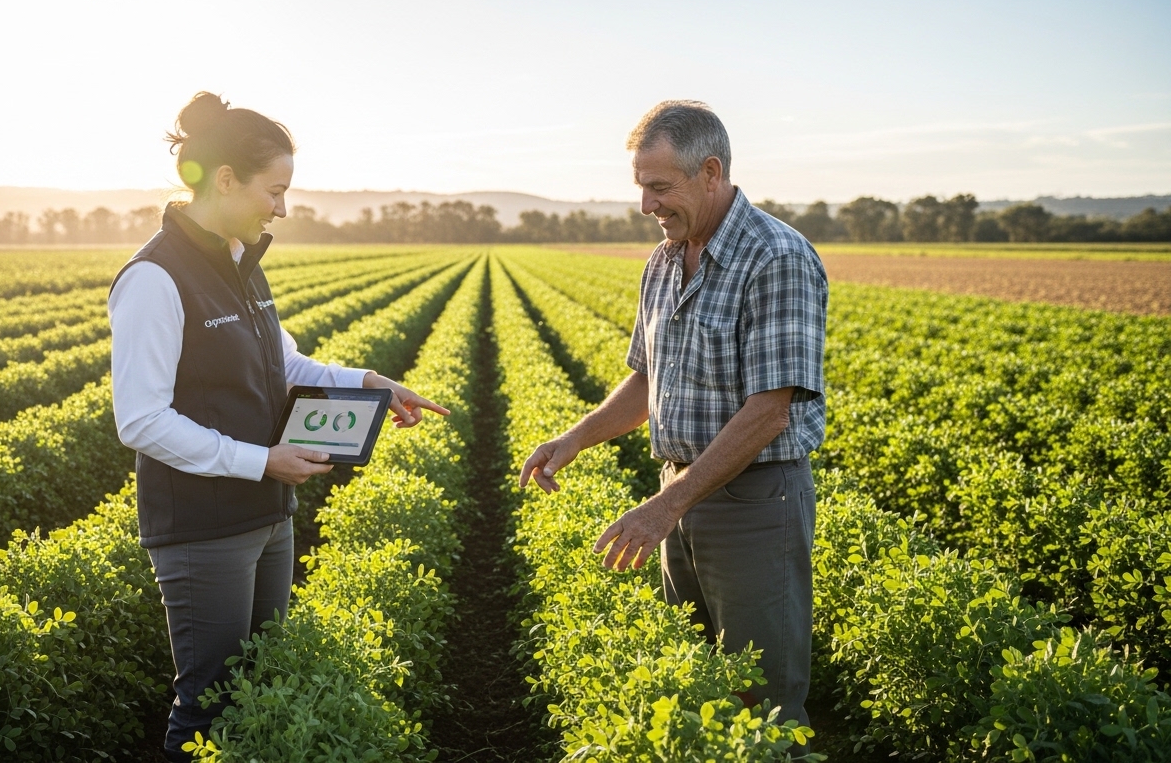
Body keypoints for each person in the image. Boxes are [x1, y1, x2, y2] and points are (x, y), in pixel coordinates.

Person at [107, 91, 448, 762]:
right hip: (204, 526)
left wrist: (370, 384)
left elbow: (283, 364)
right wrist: (260, 460)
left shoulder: (239, 264)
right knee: (209, 700)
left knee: (262, 682)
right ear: (226, 180)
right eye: (276, 190)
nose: (283, 209)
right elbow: (140, 420)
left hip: (268, 514)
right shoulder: (155, 277)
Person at [518, 100, 828, 736]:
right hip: (682, 490)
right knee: (693, 686)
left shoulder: (777, 257)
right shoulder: (664, 259)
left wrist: (667, 506)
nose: (645, 206)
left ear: (710, 172)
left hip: (753, 501)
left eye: (659, 187)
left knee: (759, 701)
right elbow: (645, 378)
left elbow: (769, 412)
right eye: (641, 187)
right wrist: (575, 439)